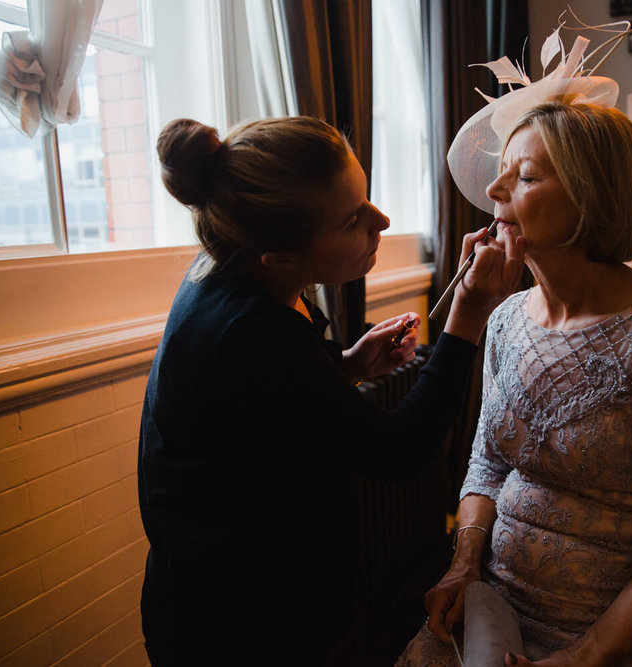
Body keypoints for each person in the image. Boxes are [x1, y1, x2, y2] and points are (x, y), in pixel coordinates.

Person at [137, 115, 525, 665]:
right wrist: (467, 316)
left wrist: (344, 366)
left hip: (242, 597)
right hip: (234, 627)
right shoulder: (250, 327)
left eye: (367, 200)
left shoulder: (230, 267)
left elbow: (263, 407)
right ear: (282, 255)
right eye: (353, 219)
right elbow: (399, 452)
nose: (382, 220)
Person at [397, 98, 632, 666]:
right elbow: (487, 464)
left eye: (525, 175)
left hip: (613, 635)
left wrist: (583, 657)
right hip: (493, 607)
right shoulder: (503, 318)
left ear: (592, 197)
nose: (494, 190)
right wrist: (463, 565)